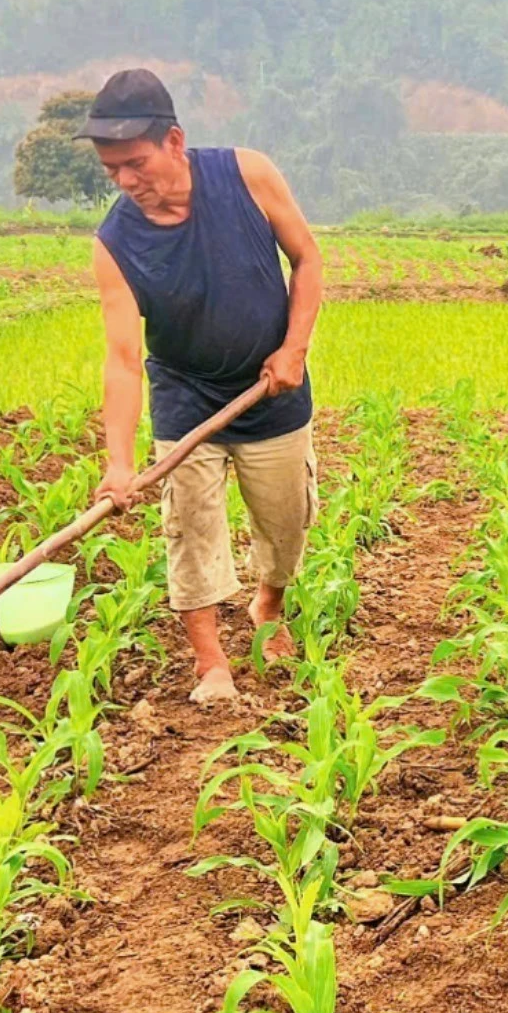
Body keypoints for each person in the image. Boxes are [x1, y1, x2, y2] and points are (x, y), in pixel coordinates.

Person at [80, 69, 324, 706]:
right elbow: (123, 360)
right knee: (190, 527)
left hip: (271, 389)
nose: (126, 181)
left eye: (136, 163)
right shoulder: (115, 244)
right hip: (186, 396)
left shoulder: (248, 176)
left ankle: (268, 605)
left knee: (286, 523)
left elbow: (307, 258)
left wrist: (294, 348)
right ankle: (210, 662)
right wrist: (119, 464)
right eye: (112, 170)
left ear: (174, 142)